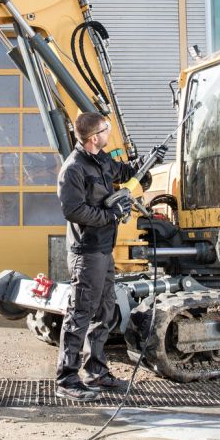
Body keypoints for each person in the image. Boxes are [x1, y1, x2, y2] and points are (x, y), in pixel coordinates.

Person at [55, 112, 165, 401]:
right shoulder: (73, 169)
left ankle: (96, 372)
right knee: (80, 314)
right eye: (106, 129)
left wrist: (147, 162)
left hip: (104, 251)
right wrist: (110, 214)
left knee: (103, 311)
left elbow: (123, 172)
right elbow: (73, 210)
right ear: (94, 137)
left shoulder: (100, 159)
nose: (109, 132)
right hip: (87, 253)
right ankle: (67, 379)